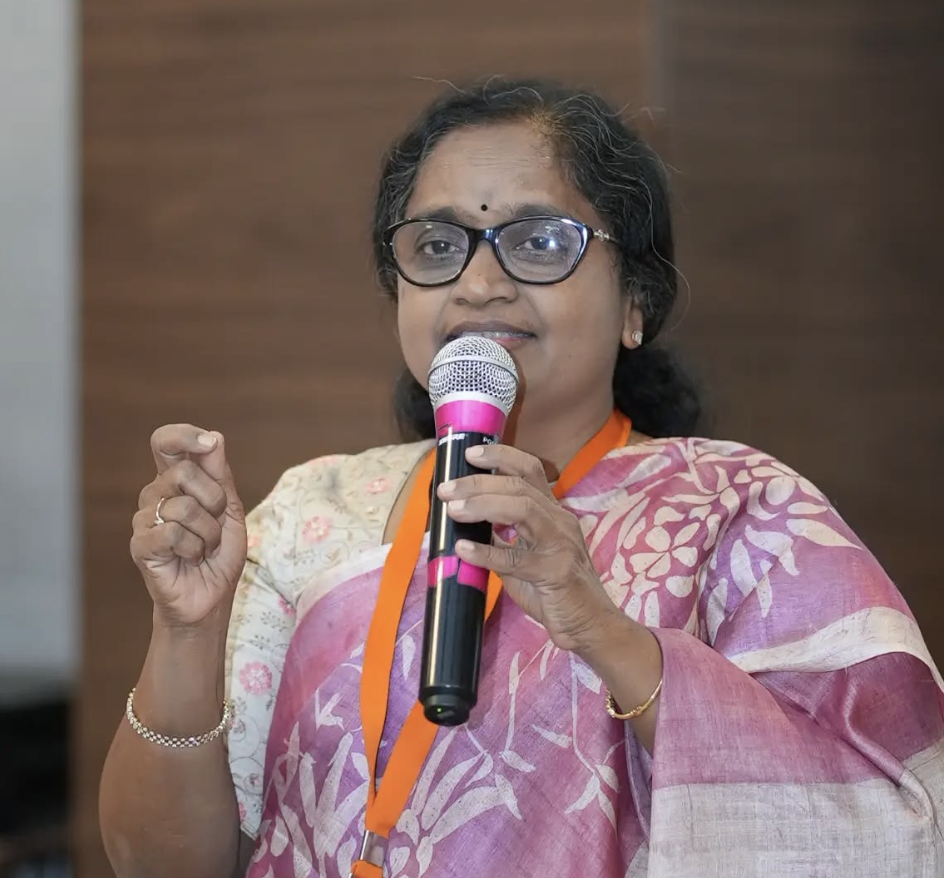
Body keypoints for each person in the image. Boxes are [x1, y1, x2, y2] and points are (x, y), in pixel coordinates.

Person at [99, 78, 944, 878]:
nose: (478, 282)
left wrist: (601, 629)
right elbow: (157, 865)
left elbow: (894, 825)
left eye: (539, 241)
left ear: (636, 304)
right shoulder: (312, 514)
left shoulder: (740, 512)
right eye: (436, 245)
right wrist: (186, 632)